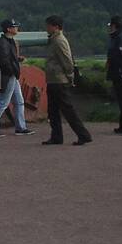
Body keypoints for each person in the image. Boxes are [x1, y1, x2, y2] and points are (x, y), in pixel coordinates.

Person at [43, 15, 92, 146]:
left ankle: (83, 135)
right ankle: (56, 137)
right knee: (53, 111)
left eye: (49, 25)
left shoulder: (59, 41)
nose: (47, 28)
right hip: (53, 80)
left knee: (68, 110)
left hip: (59, 80)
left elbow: (67, 61)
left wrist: (70, 77)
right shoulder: (54, 40)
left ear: (56, 27)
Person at [0, 19, 34, 137]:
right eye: (15, 26)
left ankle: (21, 127)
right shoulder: (3, 43)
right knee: (3, 102)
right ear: (8, 29)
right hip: (9, 75)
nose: (17, 28)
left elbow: (8, 59)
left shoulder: (8, 42)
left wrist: (17, 60)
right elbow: (3, 61)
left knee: (19, 102)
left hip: (11, 75)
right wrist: (13, 70)